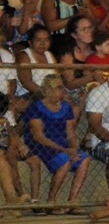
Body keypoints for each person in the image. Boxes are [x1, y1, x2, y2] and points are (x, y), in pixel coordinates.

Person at [23, 74, 91, 213]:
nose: (54, 92)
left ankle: (72, 202)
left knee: (84, 159)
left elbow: (71, 132)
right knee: (64, 160)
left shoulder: (66, 107)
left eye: (58, 88)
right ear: (44, 90)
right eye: (50, 89)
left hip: (62, 144)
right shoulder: (36, 107)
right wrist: (65, 151)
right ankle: (51, 201)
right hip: (41, 145)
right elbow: (38, 136)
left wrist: (73, 148)